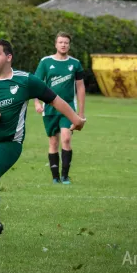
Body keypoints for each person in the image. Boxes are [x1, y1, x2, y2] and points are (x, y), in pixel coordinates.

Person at [0, 39, 86, 249]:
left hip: (8, 143)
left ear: (8, 57)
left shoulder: (25, 81)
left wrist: (76, 119)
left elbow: (55, 100)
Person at [34, 32, 85, 184]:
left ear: (69, 45)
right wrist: (37, 103)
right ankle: (55, 177)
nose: (63, 45)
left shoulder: (75, 64)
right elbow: (36, 83)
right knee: (53, 143)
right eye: (60, 42)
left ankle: (65, 176)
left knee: (66, 138)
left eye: (66, 43)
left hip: (68, 108)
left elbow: (80, 88)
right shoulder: (45, 62)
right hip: (49, 108)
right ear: (55, 44)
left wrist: (80, 112)